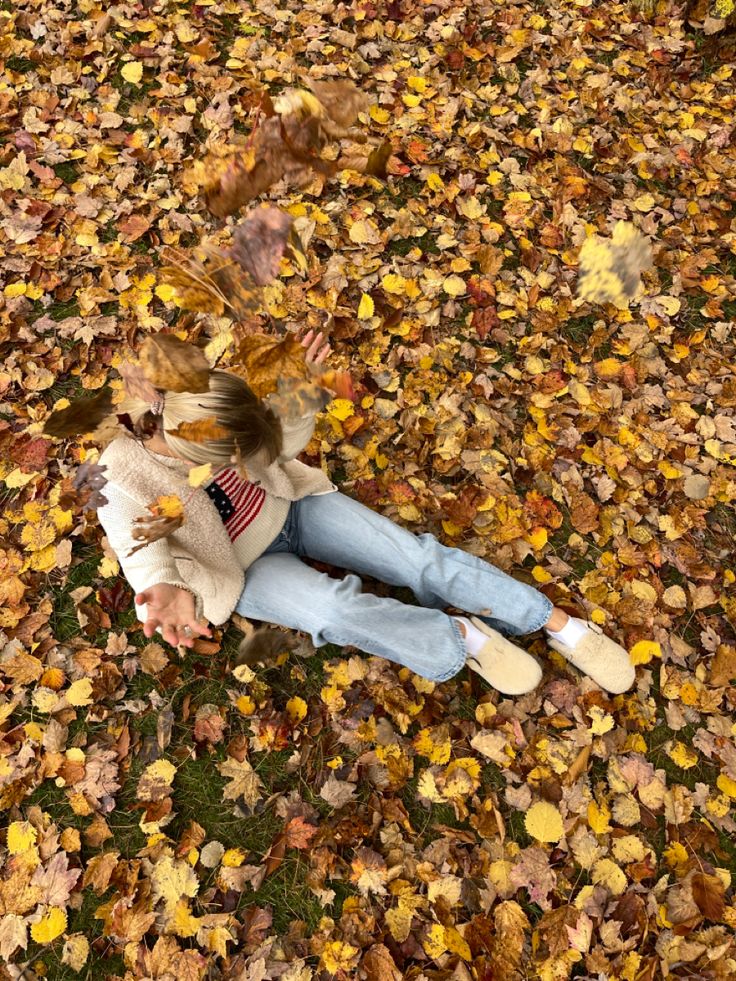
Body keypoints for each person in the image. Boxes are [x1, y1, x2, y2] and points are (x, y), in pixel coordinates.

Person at [96, 331, 635, 697]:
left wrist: (300, 398)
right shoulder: (120, 470)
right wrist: (163, 585)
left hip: (291, 505)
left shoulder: (209, 400)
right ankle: (460, 637)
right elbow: (136, 545)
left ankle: (557, 624)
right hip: (241, 566)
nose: (242, 464)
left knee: (415, 559)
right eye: (230, 461)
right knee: (334, 612)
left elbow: (277, 448)